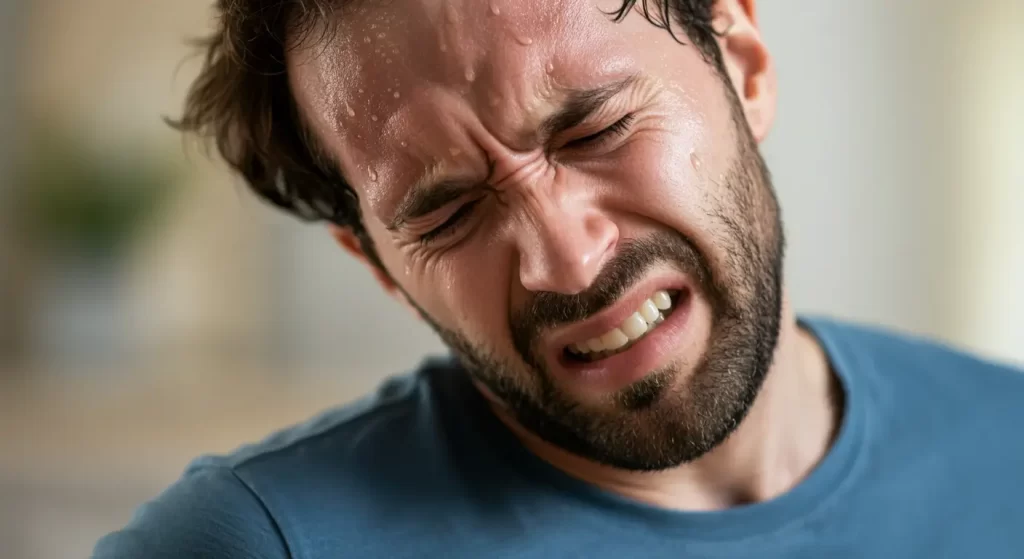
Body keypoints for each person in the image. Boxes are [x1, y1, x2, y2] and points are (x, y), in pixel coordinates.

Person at [94, 0, 1024, 557]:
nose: (567, 259)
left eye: (596, 129)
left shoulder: (1008, 448)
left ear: (741, 65)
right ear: (379, 265)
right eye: (448, 211)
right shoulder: (254, 545)